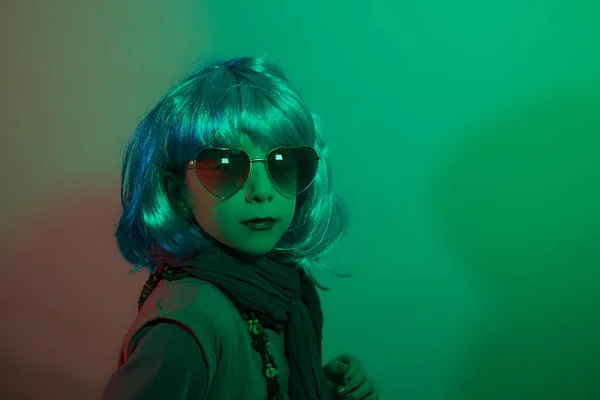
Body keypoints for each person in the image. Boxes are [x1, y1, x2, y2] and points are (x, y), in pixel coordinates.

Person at [103, 57, 379, 400]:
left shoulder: (279, 291)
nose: (262, 191)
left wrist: (319, 387)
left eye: (282, 163)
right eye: (225, 167)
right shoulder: (184, 328)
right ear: (178, 191)